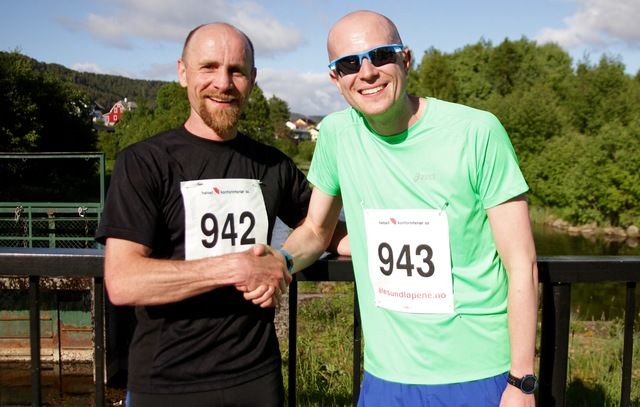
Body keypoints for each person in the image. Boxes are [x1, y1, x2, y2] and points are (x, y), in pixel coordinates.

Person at [281, 10, 539, 407]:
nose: (367, 72)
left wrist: (522, 382)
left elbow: (521, 263)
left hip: (478, 374)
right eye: (349, 63)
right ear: (335, 78)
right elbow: (316, 231)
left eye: (381, 55)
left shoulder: (477, 131)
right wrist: (277, 262)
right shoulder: (334, 135)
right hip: (386, 377)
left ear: (405, 59)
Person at [96, 22, 311, 407]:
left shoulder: (273, 165)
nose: (223, 83)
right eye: (209, 67)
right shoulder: (144, 162)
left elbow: (323, 229)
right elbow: (124, 280)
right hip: (166, 382)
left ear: (252, 79)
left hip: (257, 376)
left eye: (237, 71)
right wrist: (234, 268)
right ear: (183, 73)